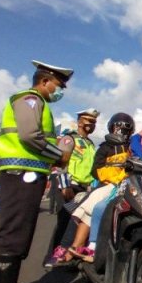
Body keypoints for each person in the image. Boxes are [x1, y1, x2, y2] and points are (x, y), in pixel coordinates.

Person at [0, 60, 73, 283]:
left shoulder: (38, 102)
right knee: (14, 234)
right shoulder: (30, 99)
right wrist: (59, 155)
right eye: (59, 85)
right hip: (19, 174)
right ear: (45, 81)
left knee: (20, 233)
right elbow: (29, 136)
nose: (59, 91)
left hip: (27, 174)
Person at [55, 112, 134, 264]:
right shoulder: (96, 145)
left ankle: (75, 249)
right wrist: (64, 185)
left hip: (108, 186)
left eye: (125, 129)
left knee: (87, 208)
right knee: (77, 212)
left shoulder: (130, 148)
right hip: (79, 185)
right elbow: (91, 169)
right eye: (117, 127)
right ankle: (67, 249)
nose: (120, 131)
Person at [43, 108, 100, 267]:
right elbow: (61, 163)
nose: (91, 125)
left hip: (83, 188)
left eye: (94, 122)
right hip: (68, 185)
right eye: (89, 121)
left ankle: (70, 258)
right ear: (80, 121)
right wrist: (64, 185)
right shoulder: (69, 139)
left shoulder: (90, 144)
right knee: (63, 222)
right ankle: (51, 258)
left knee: (76, 224)